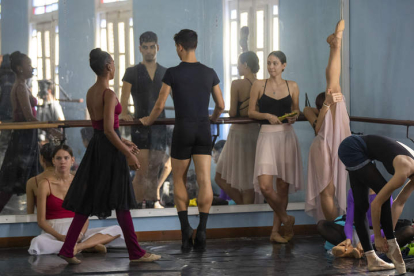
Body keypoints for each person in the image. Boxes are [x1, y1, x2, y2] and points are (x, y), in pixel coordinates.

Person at [57, 48, 160, 264]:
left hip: (97, 148)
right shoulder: (109, 94)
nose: (114, 66)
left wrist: (124, 141)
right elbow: (108, 130)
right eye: (112, 63)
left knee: (86, 202)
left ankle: (67, 249)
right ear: (108, 67)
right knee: (121, 202)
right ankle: (136, 253)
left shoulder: (90, 92)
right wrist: (127, 154)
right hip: (109, 152)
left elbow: (102, 129)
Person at [140, 29, 225, 250]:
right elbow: (221, 105)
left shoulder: (172, 73)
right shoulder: (209, 73)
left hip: (183, 130)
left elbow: (159, 105)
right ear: (194, 45)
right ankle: (203, 230)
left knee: (179, 179)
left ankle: (185, 229)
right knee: (205, 180)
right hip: (203, 130)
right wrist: (212, 118)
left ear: (179, 47)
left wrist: (148, 121)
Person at [248, 50, 303, 243]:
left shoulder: (292, 86)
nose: (271, 66)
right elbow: (251, 111)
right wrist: (266, 116)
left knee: (282, 187)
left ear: (284, 66)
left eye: (275, 63)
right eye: (269, 63)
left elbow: (296, 109)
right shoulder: (258, 84)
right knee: (265, 186)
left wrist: (294, 116)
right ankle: (287, 219)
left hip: (287, 136)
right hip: (266, 137)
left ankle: (275, 231)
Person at [29, 145, 124, 255]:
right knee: (37, 243)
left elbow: (85, 216)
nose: (62, 161)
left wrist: (79, 234)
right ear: (53, 161)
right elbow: (41, 221)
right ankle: (88, 245)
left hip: (77, 229)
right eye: (58, 158)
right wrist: (60, 237)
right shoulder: (44, 184)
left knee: (117, 229)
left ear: (72, 160)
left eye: (66, 158)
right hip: (54, 232)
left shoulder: (80, 183)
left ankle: (79, 246)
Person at [338, 134, 414, 273]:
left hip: (359, 151)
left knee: (361, 205)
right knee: (383, 193)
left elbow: (399, 204)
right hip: (352, 147)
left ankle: (372, 259)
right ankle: (388, 248)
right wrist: (379, 238)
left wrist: (388, 237)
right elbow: (377, 203)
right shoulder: (404, 171)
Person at [304, 20, 351, 222]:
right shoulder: (309, 109)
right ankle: (334, 230)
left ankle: (335, 45)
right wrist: (326, 104)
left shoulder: (333, 104)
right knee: (327, 190)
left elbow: (332, 87)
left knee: (334, 85)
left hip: (339, 138)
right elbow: (317, 128)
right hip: (323, 144)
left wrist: (330, 100)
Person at [120, 31, 171, 209]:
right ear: (140, 49)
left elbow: (177, 97)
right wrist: (124, 113)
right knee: (141, 171)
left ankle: (152, 203)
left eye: (152, 47)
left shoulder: (166, 72)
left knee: (155, 170)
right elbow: (123, 100)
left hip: (159, 126)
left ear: (157, 47)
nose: (149, 51)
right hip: (140, 125)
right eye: (145, 47)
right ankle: (134, 207)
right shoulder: (131, 72)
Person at [215, 51, 260, 205]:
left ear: (245, 65)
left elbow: (233, 112)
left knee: (220, 177)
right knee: (249, 181)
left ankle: (244, 211)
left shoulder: (237, 84)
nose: (238, 66)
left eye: (239, 63)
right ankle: (244, 209)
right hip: (257, 132)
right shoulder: (262, 84)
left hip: (239, 133)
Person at [0, 51, 42, 213]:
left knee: (35, 177)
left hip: (28, 136)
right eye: (29, 65)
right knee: (12, 179)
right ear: (19, 68)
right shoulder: (19, 87)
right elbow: (29, 117)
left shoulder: (23, 86)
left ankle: (44, 215)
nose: (32, 68)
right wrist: (51, 129)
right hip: (24, 137)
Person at [26, 143, 56, 214]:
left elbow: (30, 213)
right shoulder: (68, 179)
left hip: (43, 223)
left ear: (41, 158)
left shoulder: (32, 182)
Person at [0, 54, 15, 165]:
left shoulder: (1, 77)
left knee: (3, 146)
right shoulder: (16, 77)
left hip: (4, 116)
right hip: (15, 116)